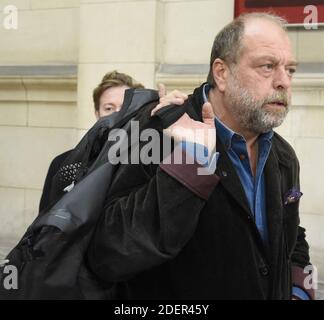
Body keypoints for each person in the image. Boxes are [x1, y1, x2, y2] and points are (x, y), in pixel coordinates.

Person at [87, 13, 314, 300]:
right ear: (222, 73)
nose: (283, 81)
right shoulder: (158, 132)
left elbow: (290, 234)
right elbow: (109, 253)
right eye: (267, 66)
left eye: (290, 70)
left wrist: (298, 290)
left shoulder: (282, 155)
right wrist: (190, 166)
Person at [39, 71, 186, 212]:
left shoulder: (147, 163)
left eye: (126, 107)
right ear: (97, 114)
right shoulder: (63, 164)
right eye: (109, 108)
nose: (117, 115)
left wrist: (167, 119)